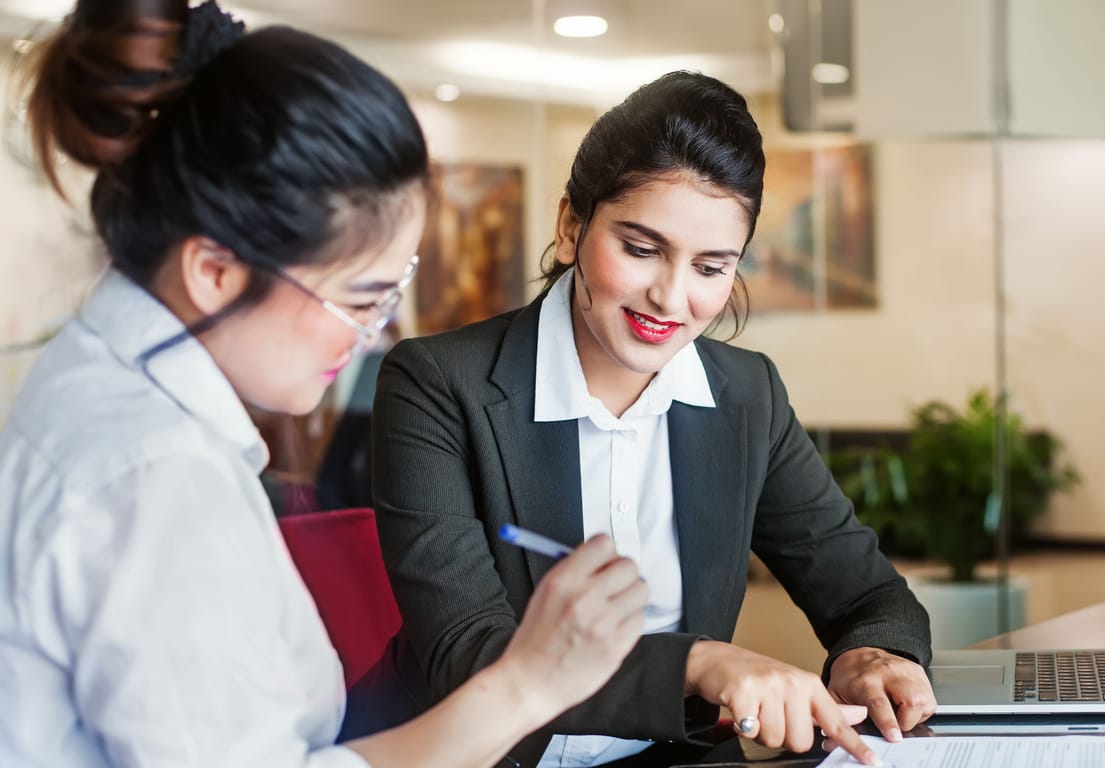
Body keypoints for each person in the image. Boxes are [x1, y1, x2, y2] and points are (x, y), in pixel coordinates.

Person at [0, 3, 646, 767]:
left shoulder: (98, 386)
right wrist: (530, 685)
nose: (372, 332)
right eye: (360, 297)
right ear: (215, 272)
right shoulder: (156, 481)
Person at [369, 71, 938, 768]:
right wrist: (700, 664)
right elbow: (469, 651)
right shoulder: (436, 384)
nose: (671, 297)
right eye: (641, 249)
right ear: (572, 225)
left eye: (710, 266)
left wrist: (876, 657)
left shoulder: (745, 395)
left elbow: (869, 593)